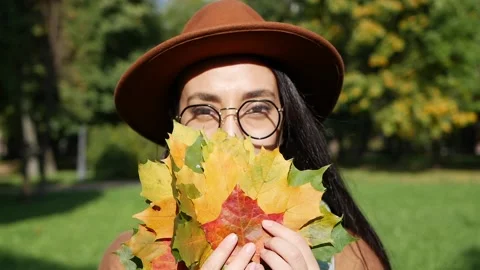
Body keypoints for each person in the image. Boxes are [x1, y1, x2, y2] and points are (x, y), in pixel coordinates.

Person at [99, 0, 391, 269]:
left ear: (287, 124)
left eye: (256, 109)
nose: (231, 136)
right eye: (202, 111)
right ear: (175, 133)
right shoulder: (130, 260)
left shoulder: (353, 259)